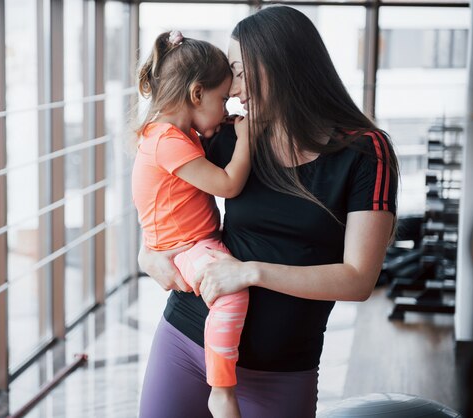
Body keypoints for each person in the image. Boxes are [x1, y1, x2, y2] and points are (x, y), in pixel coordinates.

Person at [137, 5, 399, 418]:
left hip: (281, 370)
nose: (233, 89)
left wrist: (251, 271)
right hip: (187, 338)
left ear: (279, 63)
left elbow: (358, 280)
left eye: (238, 72)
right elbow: (161, 188)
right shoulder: (235, 137)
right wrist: (147, 254)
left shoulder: (366, 152)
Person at [132, 30, 252, 418]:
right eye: (223, 99)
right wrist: (246, 136)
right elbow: (229, 185)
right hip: (187, 247)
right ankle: (221, 388)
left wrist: (213, 129)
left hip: (186, 242)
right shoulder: (169, 141)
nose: (228, 106)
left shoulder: (171, 133)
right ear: (196, 95)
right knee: (232, 294)